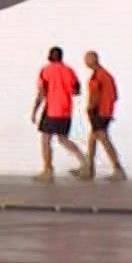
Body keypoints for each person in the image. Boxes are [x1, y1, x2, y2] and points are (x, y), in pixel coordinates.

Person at [30, 46, 86, 182]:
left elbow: (41, 93)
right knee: (63, 138)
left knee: (45, 140)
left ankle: (48, 170)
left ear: (49, 56)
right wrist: (63, 90)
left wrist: (34, 111)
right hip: (66, 110)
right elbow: (77, 91)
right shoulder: (69, 70)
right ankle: (85, 162)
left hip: (51, 110)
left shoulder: (45, 70)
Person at [79, 51, 126, 181]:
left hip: (99, 112)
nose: (85, 62)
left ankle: (118, 169)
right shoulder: (103, 74)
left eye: (87, 59)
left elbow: (95, 95)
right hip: (104, 111)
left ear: (93, 59)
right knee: (92, 138)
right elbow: (114, 95)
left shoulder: (99, 75)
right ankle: (89, 168)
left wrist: (90, 108)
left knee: (103, 138)